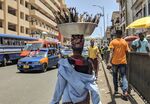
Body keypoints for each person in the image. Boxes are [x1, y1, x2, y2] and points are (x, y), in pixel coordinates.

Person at [51, 35, 101, 104]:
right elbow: (94, 89)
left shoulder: (65, 63)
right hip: (84, 101)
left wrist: (54, 102)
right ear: (83, 45)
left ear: (71, 46)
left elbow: (59, 88)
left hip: (68, 101)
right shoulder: (88, 64)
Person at [107, 30, 130, 100]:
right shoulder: (124, 42)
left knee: (115, 76)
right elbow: (127, 52)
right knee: (123, 76)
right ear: (122, 34)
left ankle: (116, 90)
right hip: (123, 62)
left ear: (116, 34)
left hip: (114, 63)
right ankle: (125, 91)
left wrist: (108, 62)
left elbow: (111, 52)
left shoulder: (113, 42)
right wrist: (127, 60)